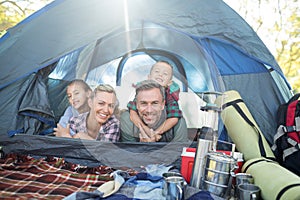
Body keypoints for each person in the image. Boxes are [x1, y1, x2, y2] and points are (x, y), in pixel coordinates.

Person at [127, 60, 183, 141]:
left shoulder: (170, 96)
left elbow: (174, 117)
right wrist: (147, 131)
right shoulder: (142, 92)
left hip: (162, 131)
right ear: (149, 77)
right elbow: (132, 112)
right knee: (126, 115)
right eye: (157, 71)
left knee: (180, 121)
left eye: (165, 74)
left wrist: (156, 133)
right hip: (141, 127)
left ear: (170, 82)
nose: (160, 75)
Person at [120, 79, 188, 142]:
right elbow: (128, 153)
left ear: (162, 105)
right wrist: (142, 146)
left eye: (155, 103)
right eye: (144, 103)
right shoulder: (127, 120)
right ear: (137, 105)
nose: (149, 110)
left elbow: (178, 153)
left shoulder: (178, 124)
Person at [54, 84, 120, 142]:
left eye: (111, 106)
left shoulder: (113, 124)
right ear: (90, 103)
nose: (106, 110)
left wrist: (71, 138)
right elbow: (70, 151)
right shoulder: (75, 121)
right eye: (101, 103)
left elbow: (104, 153)